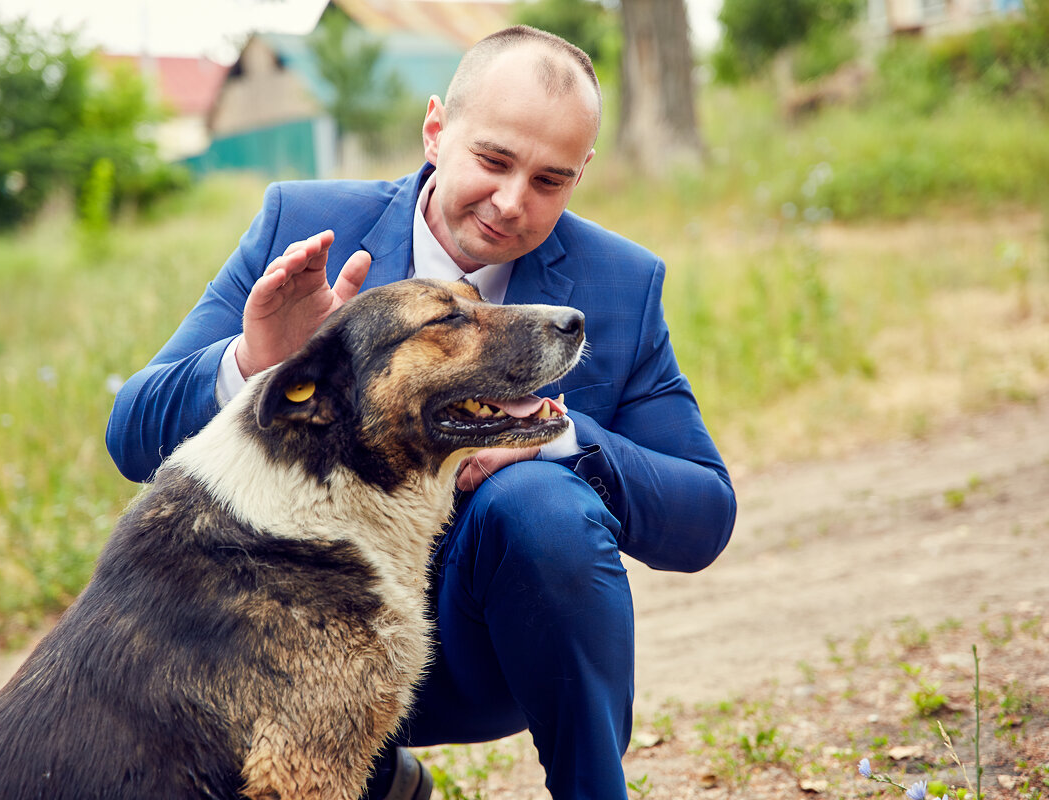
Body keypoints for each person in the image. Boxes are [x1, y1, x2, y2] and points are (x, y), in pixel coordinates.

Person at [106, 24, 736, 800]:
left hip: (480, 653)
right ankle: (374, 775)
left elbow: (703, 513)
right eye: (495, 160)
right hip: (282, 656)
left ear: (582, 175)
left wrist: (555, 436)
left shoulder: (621, 284)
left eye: (551, 179)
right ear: (436, 129)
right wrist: (261, 361)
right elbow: (131, 434)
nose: (512, 202)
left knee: (539, 500)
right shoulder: (301, 226)